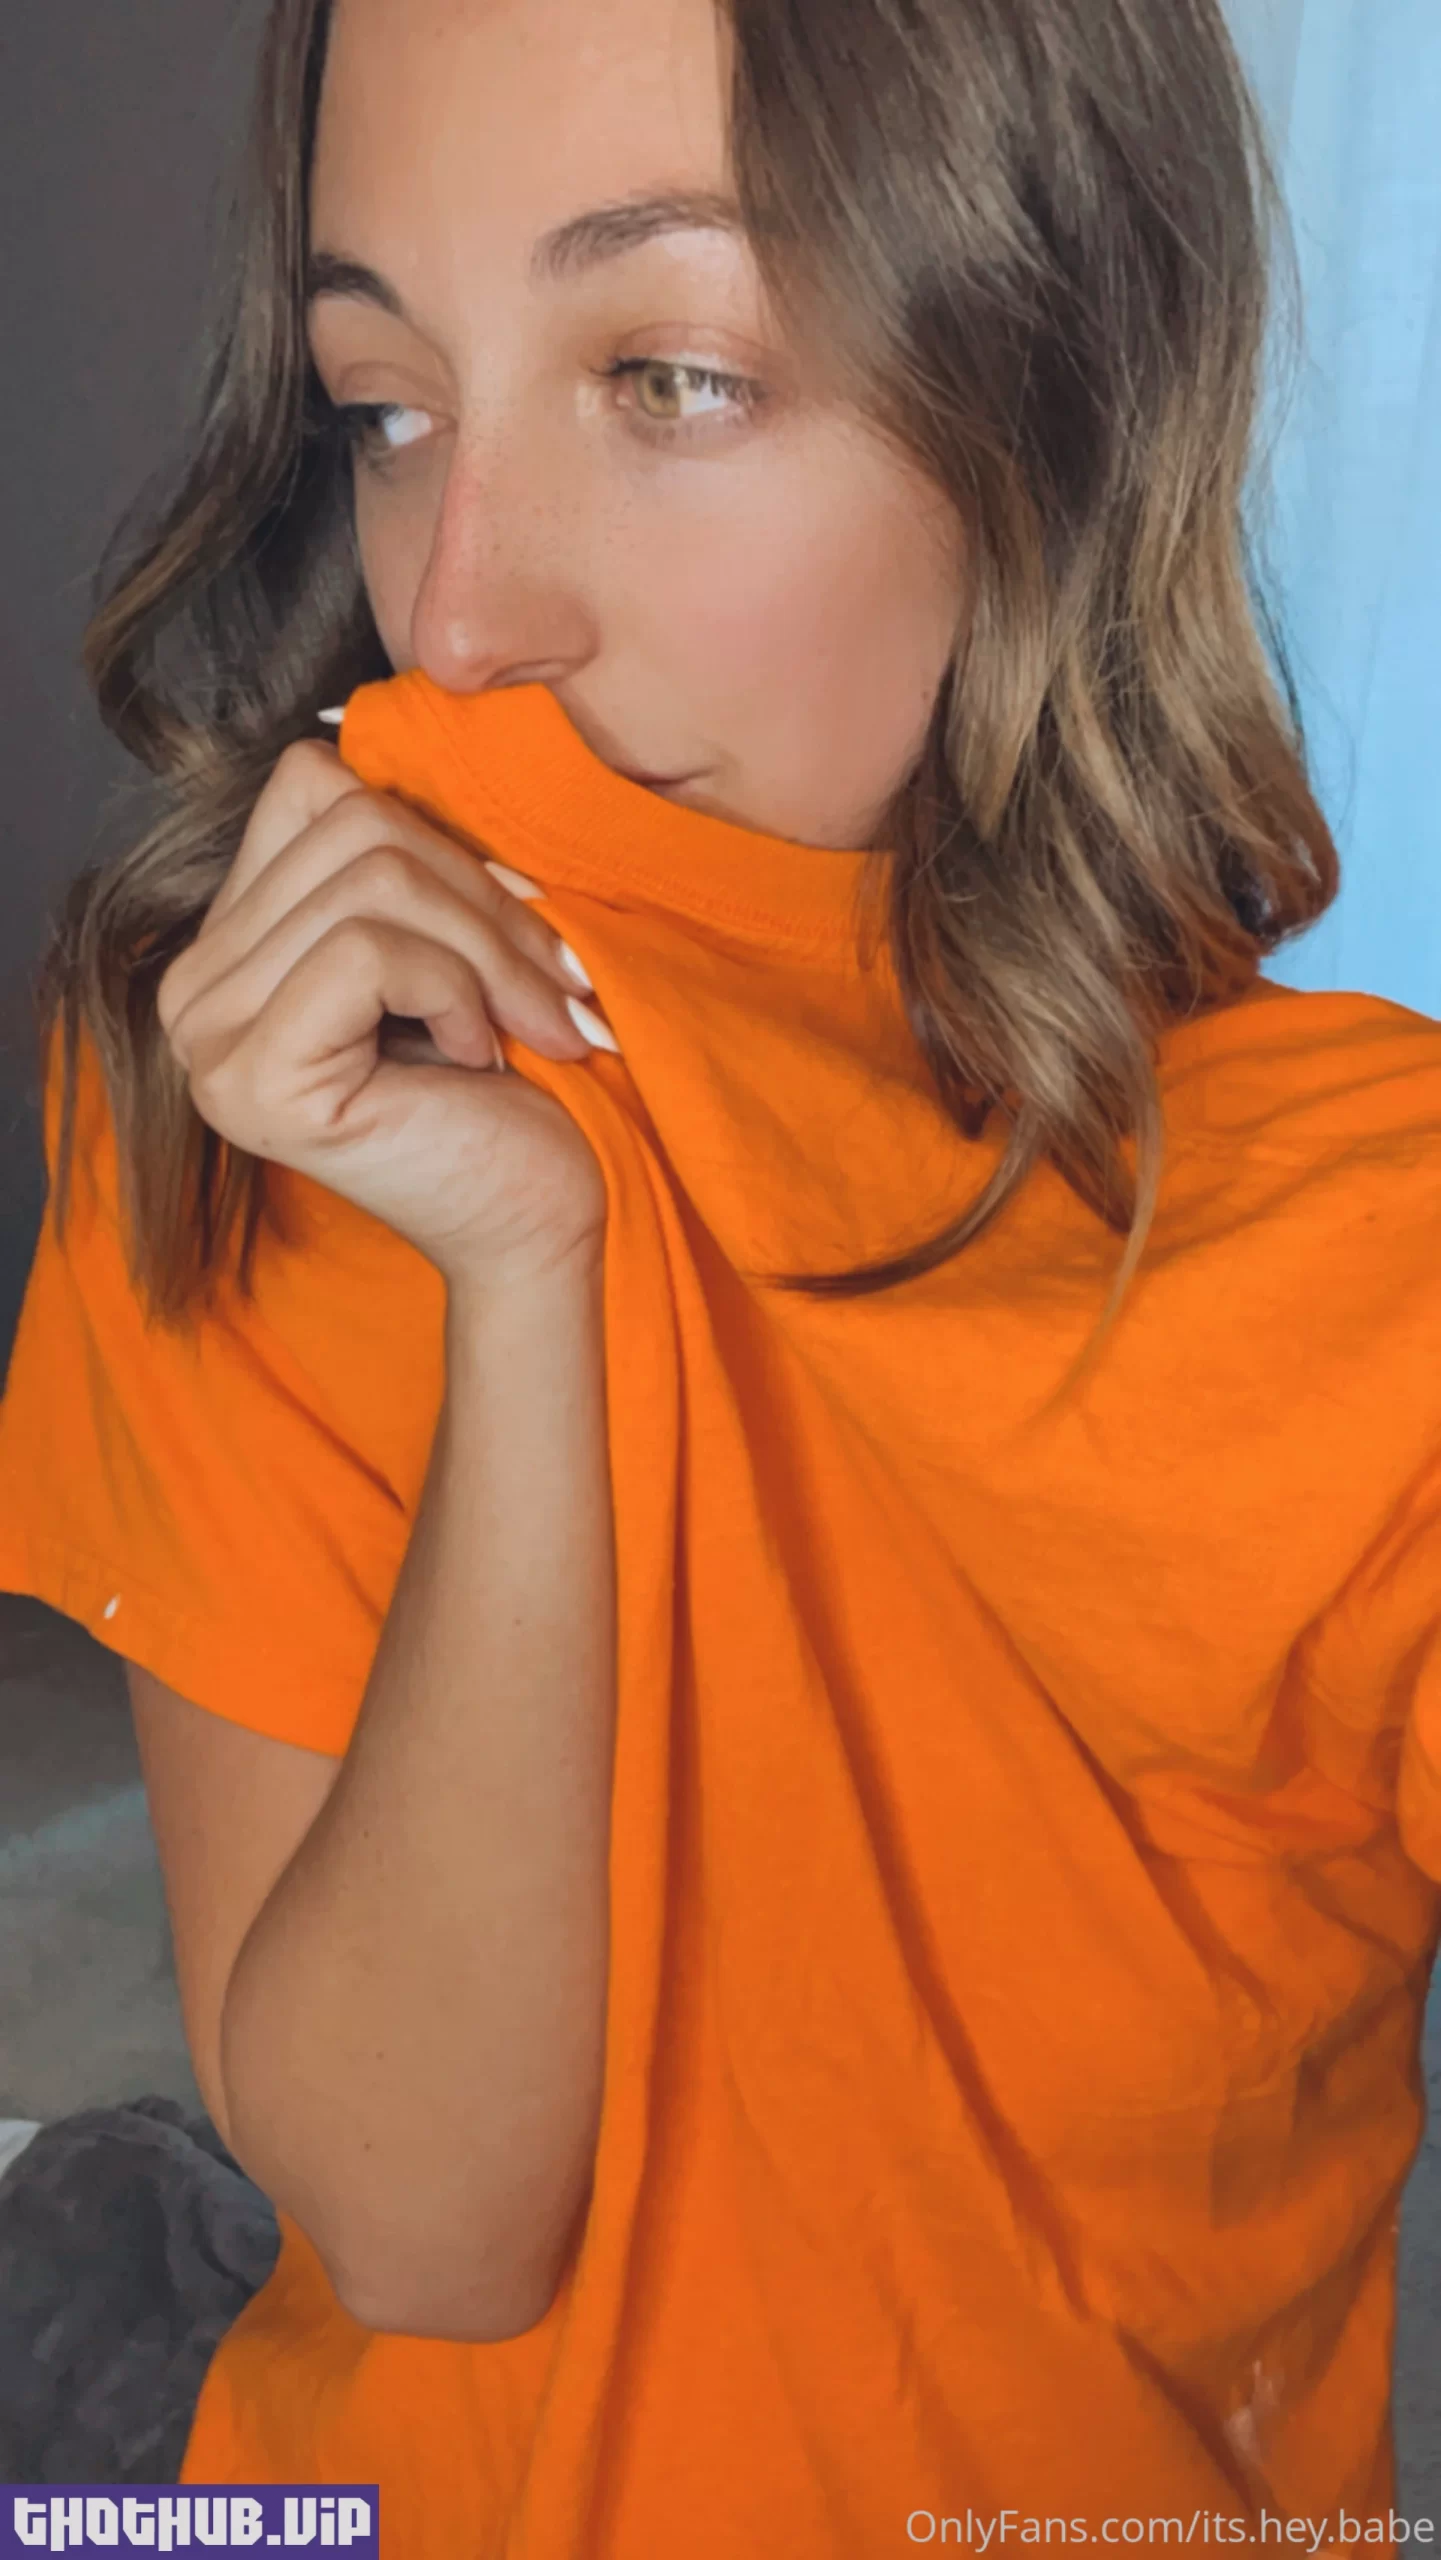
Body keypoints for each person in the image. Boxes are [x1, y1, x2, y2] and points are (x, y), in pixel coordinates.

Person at [2, 0, 1439, 2548]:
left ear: (1050, 402)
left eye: (665, 377)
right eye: (386, 405)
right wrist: (524, 1279)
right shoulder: (247, 1094)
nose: (459, 616)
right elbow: (422, 2224)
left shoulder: (1368, 1232)